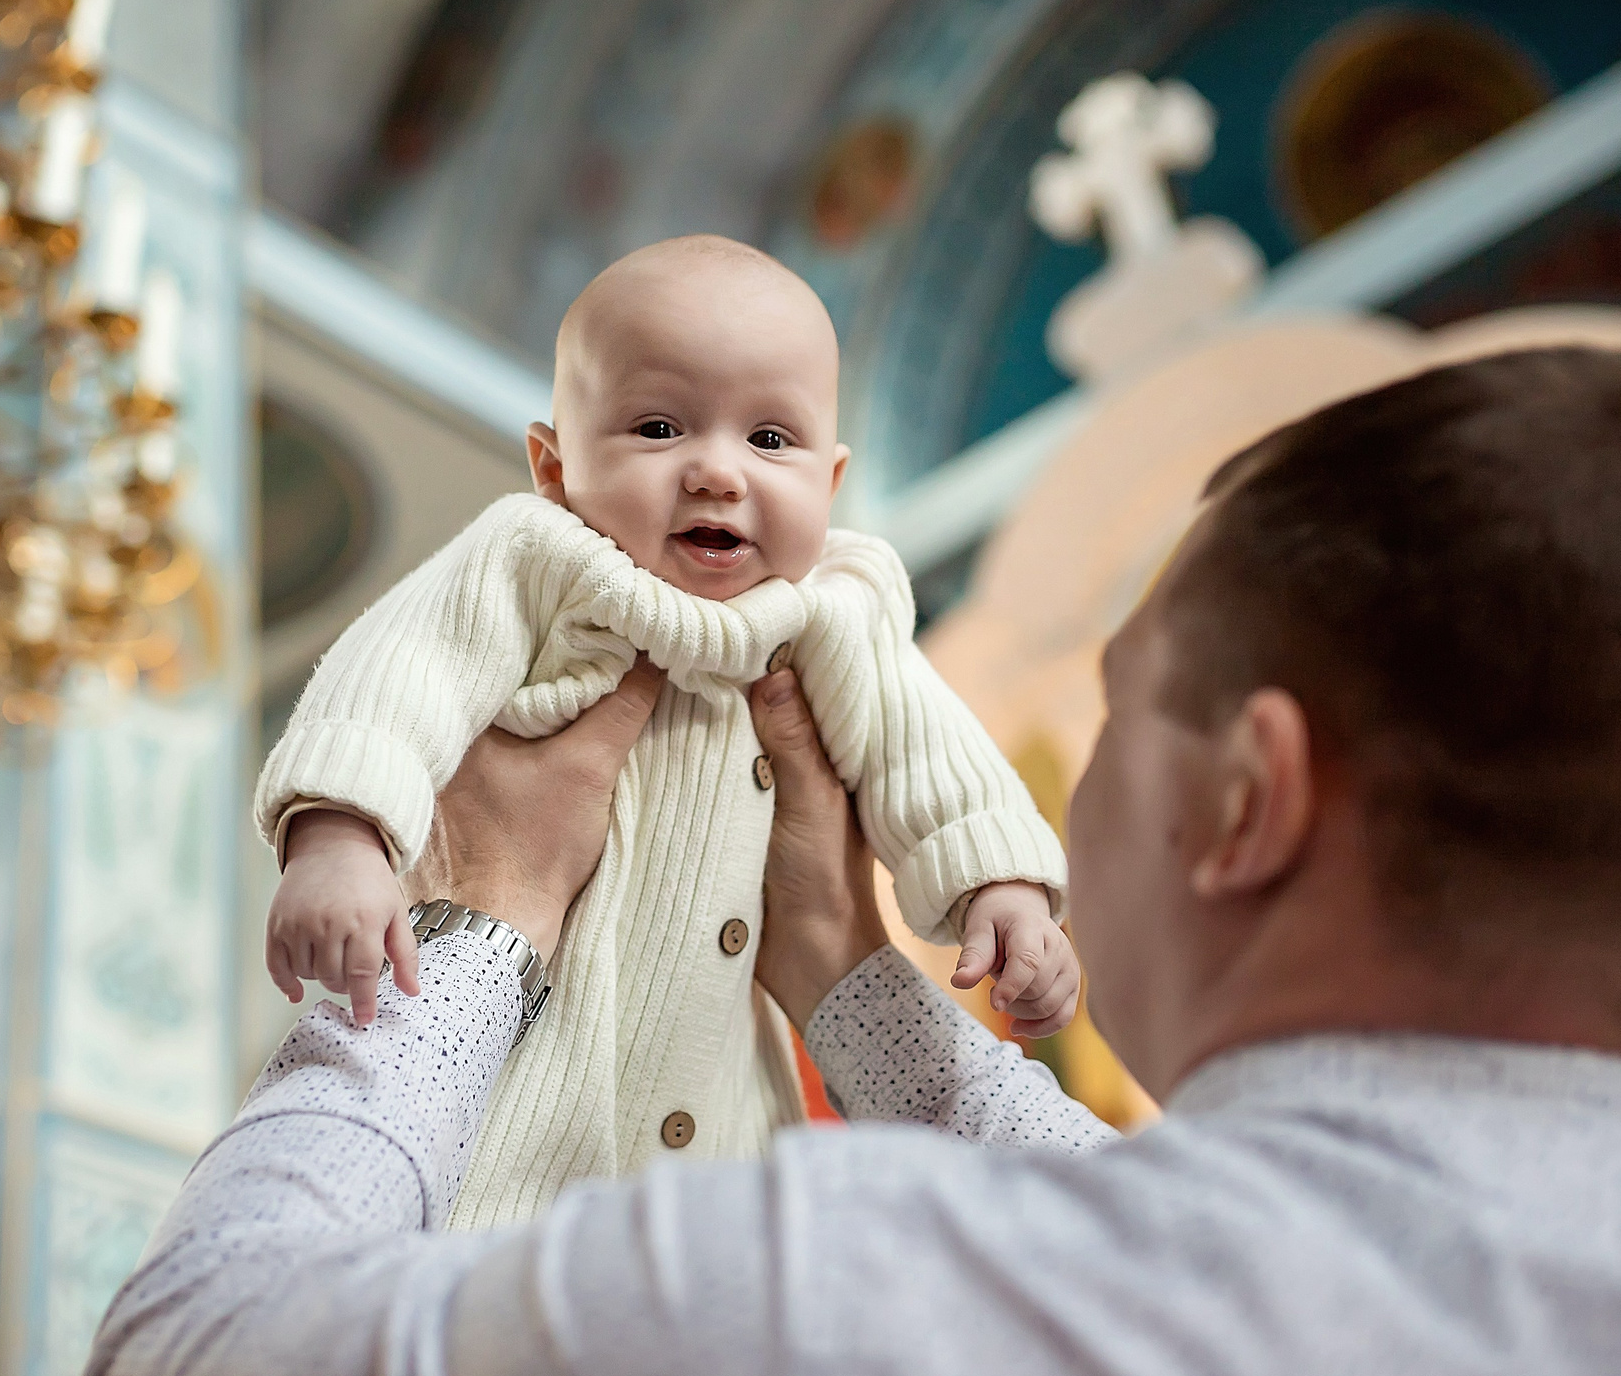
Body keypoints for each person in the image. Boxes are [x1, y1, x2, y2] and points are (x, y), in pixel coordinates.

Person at [69, 346, 1621, 1376]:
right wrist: (850, 983)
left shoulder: (835, 1301)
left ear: (1242, 800)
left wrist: (479, 930)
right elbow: (1187, 1227)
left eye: (1122, 711)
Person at [257, 234, 1072, 1227]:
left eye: (771, 439)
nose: (718, 472)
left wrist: (1004, 885)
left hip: (723, 1135)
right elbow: (397, 674)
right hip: (507, 1116)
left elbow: (933, 749)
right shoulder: (534, 559)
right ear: (553, 466)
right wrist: (340, 838)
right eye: (657, 426)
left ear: (833, 477)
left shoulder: (838, 608)